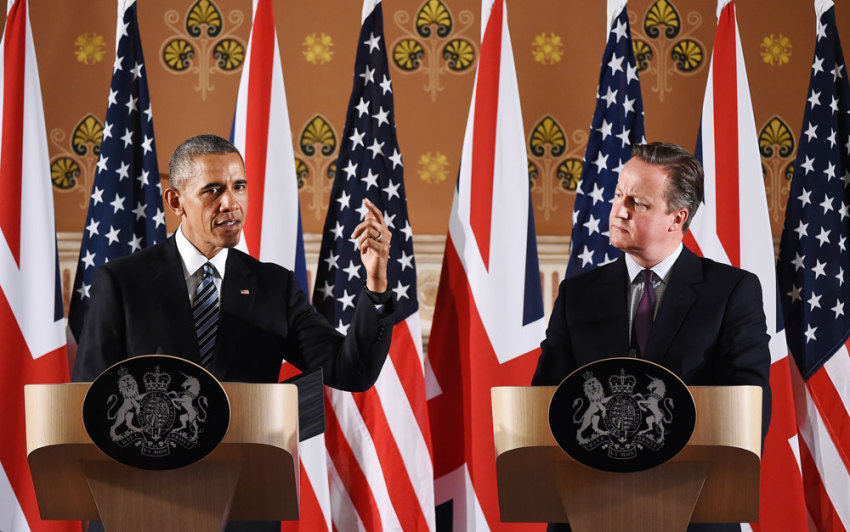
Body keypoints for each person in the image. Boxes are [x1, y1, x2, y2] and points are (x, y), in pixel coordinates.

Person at [73, 134, 394, 532]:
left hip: (242, 509)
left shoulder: (273, 286)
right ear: (176, 202)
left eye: (238, 186)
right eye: (213, 190)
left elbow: (352, 370)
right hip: (141, 508)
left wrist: (376, 283)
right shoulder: (122, 282)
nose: (231, 203)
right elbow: (91, 403)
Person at [532, 142, 771, 532]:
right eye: (618, 194)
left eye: (638, 203)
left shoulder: (731, 292)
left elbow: (747, 405)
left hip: (692, 511)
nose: (618, 210)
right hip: (588, 509)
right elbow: (547, 396)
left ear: (677, 217)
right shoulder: (578, 293)